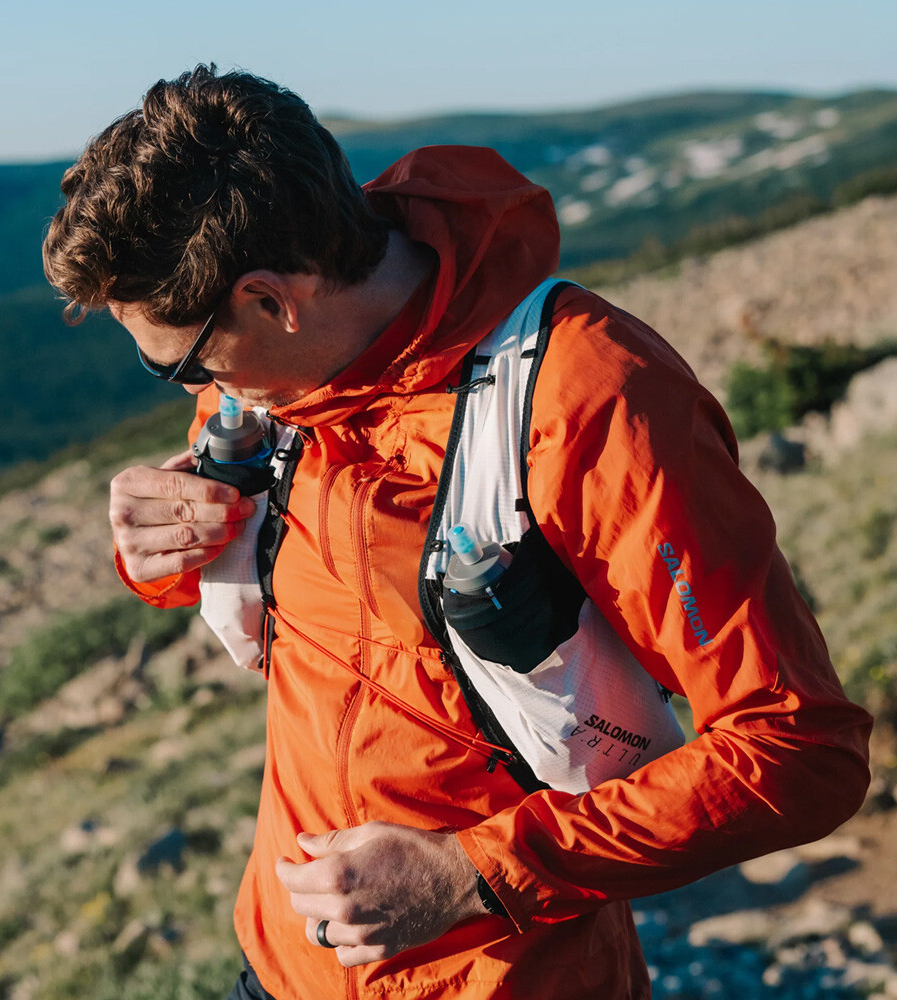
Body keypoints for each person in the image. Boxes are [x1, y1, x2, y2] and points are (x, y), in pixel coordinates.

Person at [43, 65, 873, 1000]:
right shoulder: (274, 380)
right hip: (282, 966)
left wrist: (477, 873)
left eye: (177, 362)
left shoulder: (591, 400)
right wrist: (152, 550)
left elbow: (800, 752)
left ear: (273, 301)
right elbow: (260, 566)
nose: (197, 394)